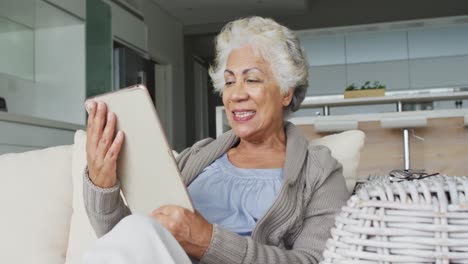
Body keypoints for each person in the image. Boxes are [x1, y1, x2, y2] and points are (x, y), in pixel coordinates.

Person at [82, 16, 349, 264]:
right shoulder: (197, 156)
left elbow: (316, 261)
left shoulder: (319, 171)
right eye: (230, 82)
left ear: (286, 93)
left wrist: (208, 241)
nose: (236, 95)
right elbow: (127, 245)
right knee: (137, 227)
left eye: (252, 79)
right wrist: (102, 184)